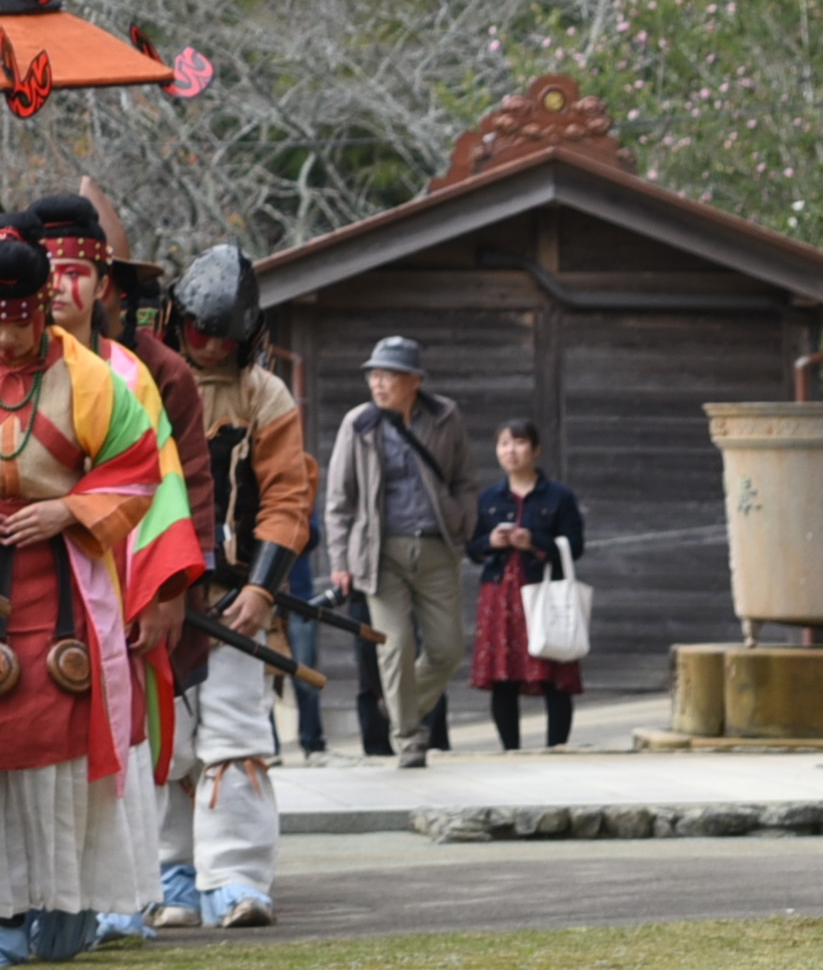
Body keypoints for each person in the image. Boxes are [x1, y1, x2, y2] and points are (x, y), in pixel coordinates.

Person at [0, 234, 191, 970]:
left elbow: (137, 466)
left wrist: (66, 511)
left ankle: (63, 905)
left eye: (18, 320)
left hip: (61, 589)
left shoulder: (90, 378)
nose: (6, 336)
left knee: (57, 740)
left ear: (38, 308)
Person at [25, 192, 205, 950]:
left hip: (108, 574)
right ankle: (29, 897)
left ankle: (116, 895)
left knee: (117, 738)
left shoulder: (128, 375)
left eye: (77, 271)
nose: (63, 287)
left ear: (103, 285)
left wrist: (164, 587)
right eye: (51, 272)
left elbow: (161, 484)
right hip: (23, 578)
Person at [161, 243, 314, 926]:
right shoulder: (142, 376)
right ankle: (166, 875)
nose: (212, 347)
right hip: (157, 590)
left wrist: (261, 590)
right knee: (161, 740)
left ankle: (237, 879)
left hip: (233, 596)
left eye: (227, 337)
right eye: (201, 331)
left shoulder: (264, 395)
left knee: (235, 734)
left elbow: (287, 499)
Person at [319, 337, 474, 769]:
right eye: (374, 374)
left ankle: (401, 705)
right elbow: (339, 500)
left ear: (414, 381)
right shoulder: (360, 424)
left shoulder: (445, 416)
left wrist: (463, 521)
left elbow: (464, 478)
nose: (378, 383)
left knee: (447, 649)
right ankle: (408, 738)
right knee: (395, 645)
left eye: (388, 375)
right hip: (379, 552)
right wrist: (340, 562)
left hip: (437, 546)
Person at [469, 423, 588, 752]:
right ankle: (510, 750)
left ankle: (557, 749)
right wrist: (491, 542)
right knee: (502, 676)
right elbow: (472, 548)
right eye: (504, 443)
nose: (511, 450)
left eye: (519, 443)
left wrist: (535, 541)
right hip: (500, 595)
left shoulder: (558, 496)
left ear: (535, 450)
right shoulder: (488, 498)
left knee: (555, 672)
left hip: (544, 592)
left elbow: (575, 545)